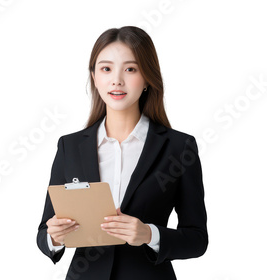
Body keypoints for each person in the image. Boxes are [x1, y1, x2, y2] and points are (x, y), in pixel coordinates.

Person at [36, 26, 208, 280]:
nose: (117, 80)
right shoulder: (69, 147)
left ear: (148, 77)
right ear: (94, 77)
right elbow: (44, 233)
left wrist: (149, 234)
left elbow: (197, 239)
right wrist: (53, 236)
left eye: (130, 69)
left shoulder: (178, 147)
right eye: (106, 69)